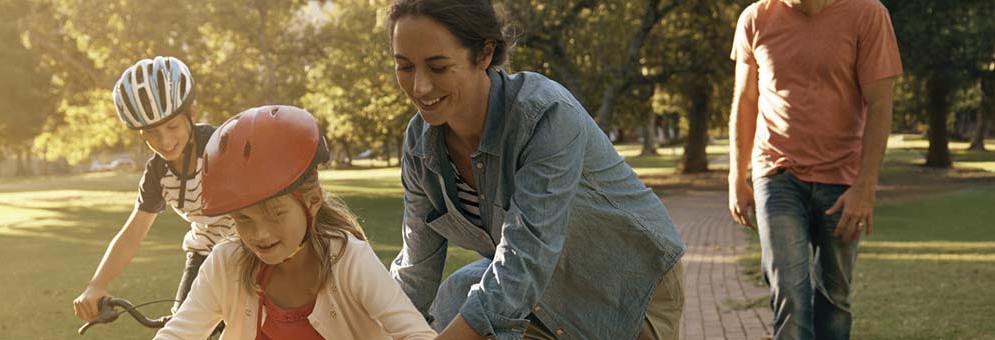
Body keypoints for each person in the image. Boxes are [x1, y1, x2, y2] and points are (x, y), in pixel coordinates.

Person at [385, 1, 686, 339]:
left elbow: (523, 259)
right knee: (458, 294)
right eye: (405, 66)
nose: (420, 87)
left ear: (484, 54)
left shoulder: (544, 114)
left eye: (438, 67)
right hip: (539, 290)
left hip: (624, 285)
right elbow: (415, 269)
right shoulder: (419, 144)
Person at [154, 105, 436, 340]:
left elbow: (416, 334)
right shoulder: (226, 263)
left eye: (276, 213)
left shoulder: (349, 260)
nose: (260, 233)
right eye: (243, 218)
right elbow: (177, 335)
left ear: (313, 201)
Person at [728, 0, 901, 338]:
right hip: (777, 175)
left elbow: (880, 103)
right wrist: (737, 175)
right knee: (789, 296)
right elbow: (745, 99)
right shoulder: (756, 18)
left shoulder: (867, 14)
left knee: (834, 301)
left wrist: (865, 187)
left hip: (842, 181)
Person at [71, 57, 233, 336]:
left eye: (172, 127)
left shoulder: (223, 146)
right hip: (205, 252)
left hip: (255, 246)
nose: (165, 141)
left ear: (191, 115)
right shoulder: (158, 174)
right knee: (181, 330)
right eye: (152, 133)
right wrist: (97, 284)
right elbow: (133, 234)